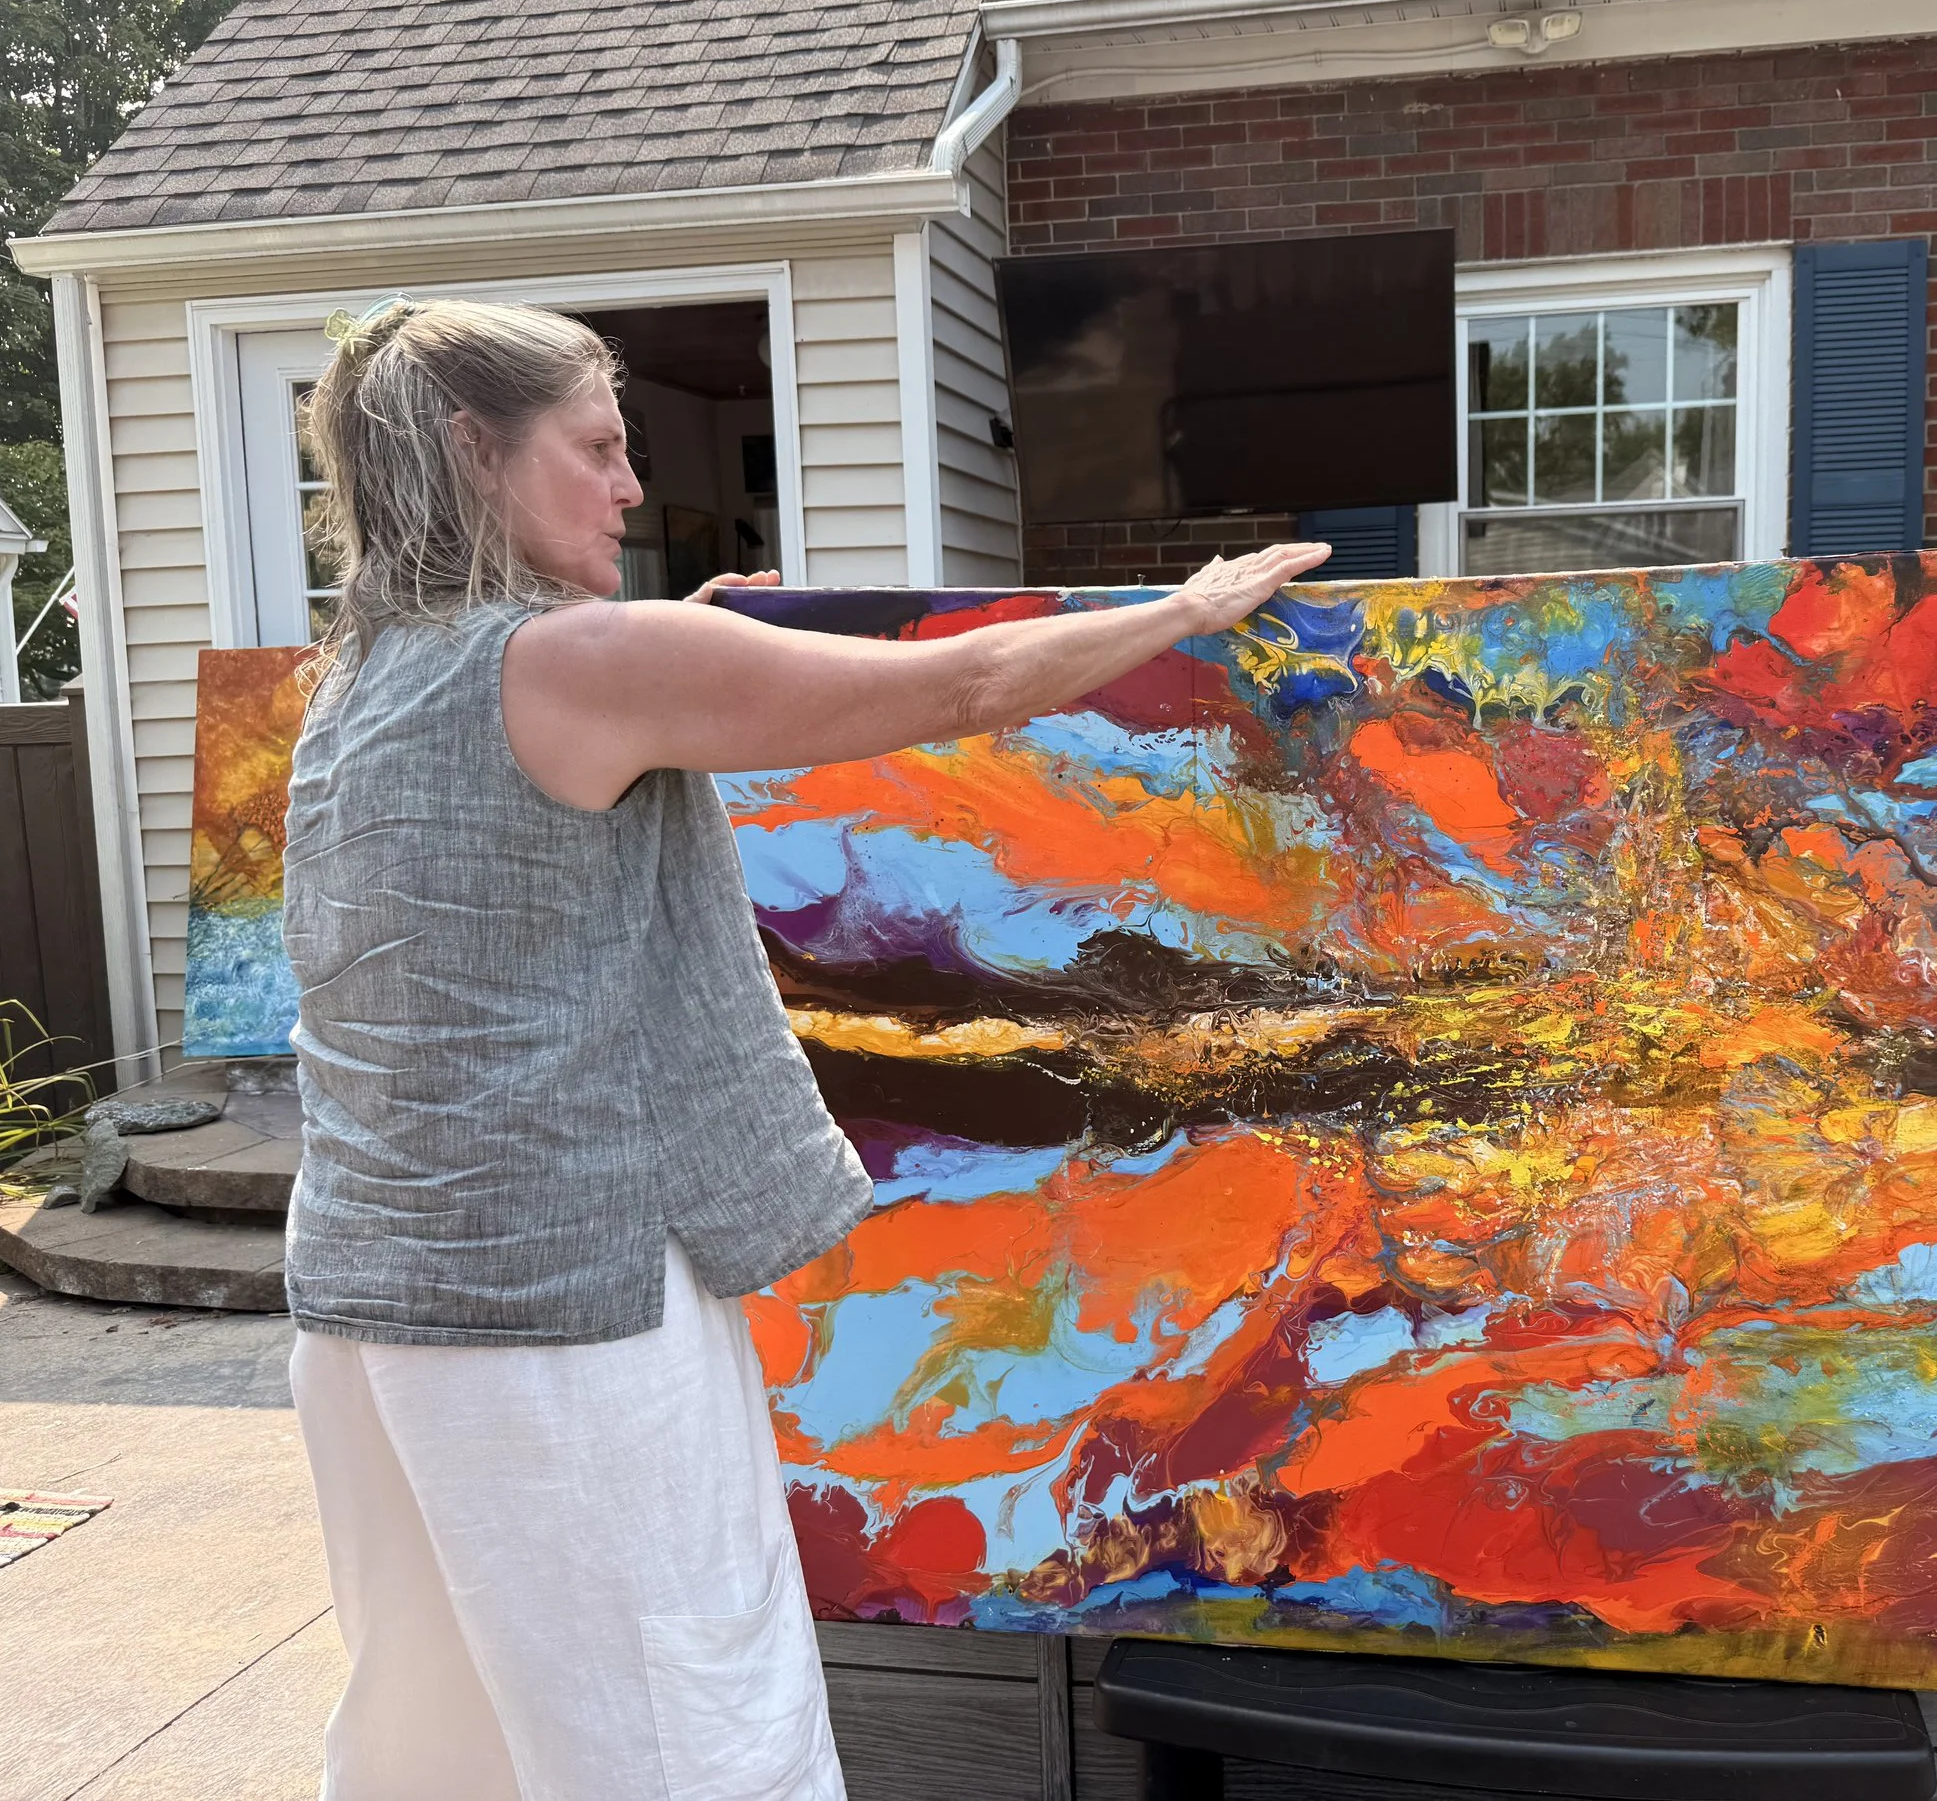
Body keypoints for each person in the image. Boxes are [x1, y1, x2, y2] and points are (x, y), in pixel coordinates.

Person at [279, 295, 1329, 1801]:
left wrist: (688, 635)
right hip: (555, 1305)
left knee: (444, 1736)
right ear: (472, 453)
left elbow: (545, 779)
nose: (631, 486)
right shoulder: (580, 664)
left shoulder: (353, 685)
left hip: (372, 1309)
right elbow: (954, 688)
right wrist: (1184, 609)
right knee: (677, 1718)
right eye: (597, 448)